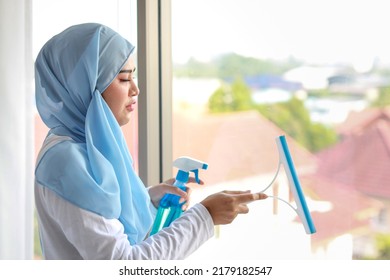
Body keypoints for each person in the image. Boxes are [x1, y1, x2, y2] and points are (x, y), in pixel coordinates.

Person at [34, 23, 268, 260]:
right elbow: (125, 265)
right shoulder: (67, 163)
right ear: (84, 88)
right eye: (124, 79)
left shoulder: (78, 142)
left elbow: (98, 216)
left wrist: (144, 197)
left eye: (133, 77)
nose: (136, 89)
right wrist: (205, 216)